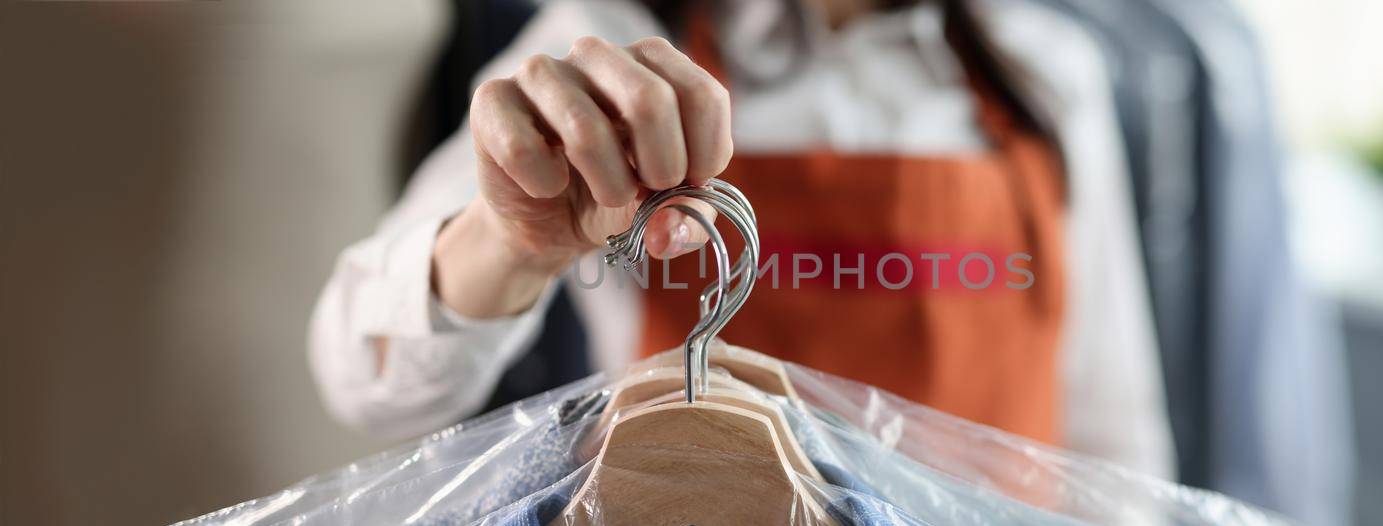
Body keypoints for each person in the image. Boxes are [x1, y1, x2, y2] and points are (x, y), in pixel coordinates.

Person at [310, 0, 1174, 479]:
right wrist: (509, 242)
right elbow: (363, 369)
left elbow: (1109, 430)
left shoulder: (1047, 71)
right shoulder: (609, 49)